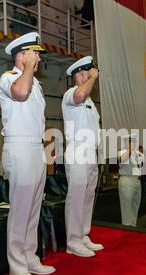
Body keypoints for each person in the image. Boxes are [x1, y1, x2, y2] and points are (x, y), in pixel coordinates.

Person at [0, 32, 55, 275]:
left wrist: (30, 69)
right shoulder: (9, 78)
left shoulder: (37, 83)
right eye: (34, 53)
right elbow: (20, 94)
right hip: (19, 149)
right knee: (20, 210)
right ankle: (16, 266)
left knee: (33, 208)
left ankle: (30, 257)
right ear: (21, 55)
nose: (39, 58)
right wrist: (28, 68)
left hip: (35, 148)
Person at [62, 56, 103, 258]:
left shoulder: (91, 103)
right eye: (89, 72)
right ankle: (73, 240)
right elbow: (80, 95)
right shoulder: (72, 94)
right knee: (76, 197)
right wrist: (92, 79)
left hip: (90, 150)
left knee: (88, 196)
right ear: (80, 74)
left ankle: (83, 234)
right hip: (77, 149)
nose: (93, 74)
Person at [118, 134, 144, 227]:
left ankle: (133, 223)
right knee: (126, 205)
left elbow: (141, 166)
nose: (133, 143)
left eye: (134, 141)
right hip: (127, 180)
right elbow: (123, 159)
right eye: (131, 142)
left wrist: (141, 153)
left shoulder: (137, 153)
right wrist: (130, 149)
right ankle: (126, 225)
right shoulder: (122, 151)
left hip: (137, 180)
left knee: (135, 203)